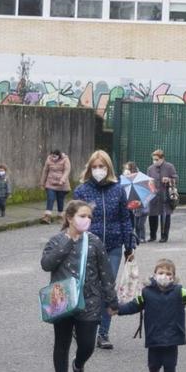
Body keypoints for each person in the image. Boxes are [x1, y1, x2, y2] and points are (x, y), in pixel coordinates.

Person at [41, 200, 119, 372]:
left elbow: (106, 273)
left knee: (87, 345)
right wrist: (68, 241)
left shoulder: (94, 242)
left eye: (89, 217)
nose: (87, 220)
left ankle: (78, 364)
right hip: (61, 299)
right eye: (82, 216)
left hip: (90, 299)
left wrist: (112, 301)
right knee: (62, 343)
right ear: (69, 218)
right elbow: (46, 264)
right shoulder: (56, 240)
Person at [115, 258, 186, 372]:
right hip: (154, 335)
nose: (164, 276)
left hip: (173, 335)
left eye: (168, 273)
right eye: (161, 272)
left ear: (173, 277)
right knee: (153, 363)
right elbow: (133, 306)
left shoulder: (179, 292)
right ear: (154, 274)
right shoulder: (146, 292)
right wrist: (117, 310)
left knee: (170, 364)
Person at [73, 150, 137, 349]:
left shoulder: (119, 190)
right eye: (95, 166)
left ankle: (103, 333)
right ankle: (81, 326)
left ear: (108, 168)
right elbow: (74, 220)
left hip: (113, 246)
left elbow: (126, 219)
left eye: (102, 166)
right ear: (89, 168)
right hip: (88, 246)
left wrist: (129, 245)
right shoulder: (82, 191)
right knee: (87, 287)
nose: (98, 170)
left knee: (107, 288)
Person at [146, 150, 177, 243]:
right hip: (154, 195)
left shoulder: (169, 167)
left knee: (165, 216)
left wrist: (169, 180)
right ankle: (152, 235)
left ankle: (164, 236)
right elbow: (148, 181)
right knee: (152, 215)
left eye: (156, 159)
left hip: (165, 195)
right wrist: (150, 183)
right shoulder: (150, 169)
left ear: (162, 159)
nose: (155, 161)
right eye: (153, 159)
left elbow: (176, 178)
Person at [41, 150, 72, 224]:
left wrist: (62, 180)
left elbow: (67, 170)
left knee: (60, 199)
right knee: (50, 198)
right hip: (50, 183)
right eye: (52, 156)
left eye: (55, 156)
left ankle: (60, 216)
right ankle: (47, 216)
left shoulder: (65, 159)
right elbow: (45, 171)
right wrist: (42, 183)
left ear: (59, 155)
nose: (53, 158)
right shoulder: (49, 159)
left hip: (61, 184)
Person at [124, 162, 150, 243]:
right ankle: (138, 237)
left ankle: (142, 237)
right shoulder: (128, 178)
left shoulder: (139, 178)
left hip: (142, 207)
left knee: (140, 224)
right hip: (135, 207)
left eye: (128, 168)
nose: (126, 170)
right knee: (136, 224)